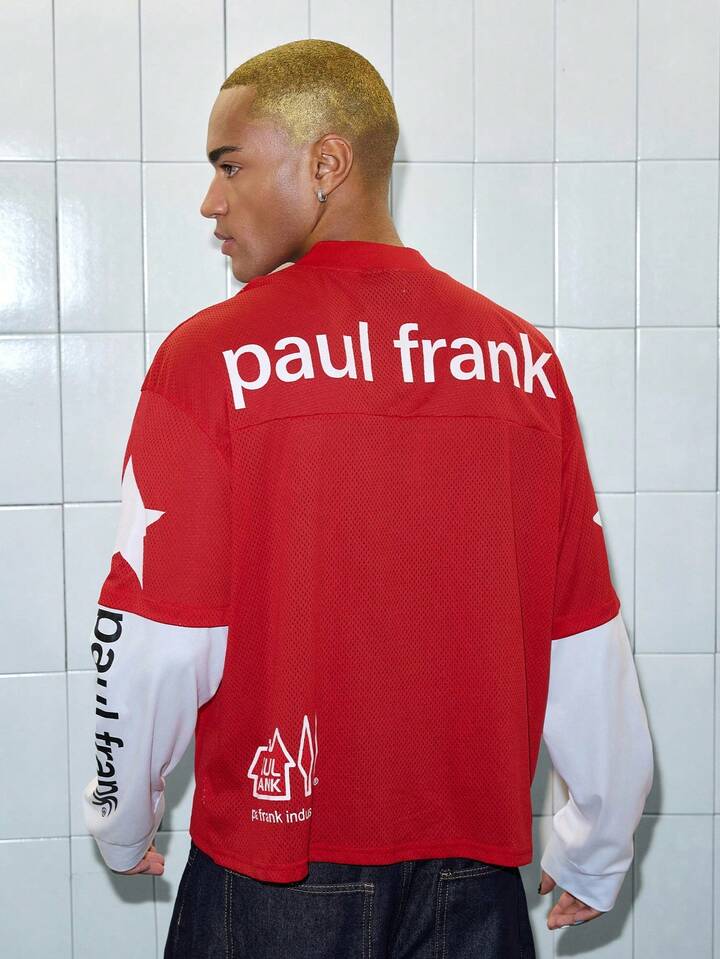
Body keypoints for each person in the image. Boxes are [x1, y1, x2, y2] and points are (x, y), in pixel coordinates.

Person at [81, 38, 654, 958]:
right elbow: (580, 627)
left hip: (273, 875)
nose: (211, 201)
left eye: (230, 164)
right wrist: (597, 841)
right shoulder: (521, 362)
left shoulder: (210, 359)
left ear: (327, 163)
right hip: (474, 883)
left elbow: (159, 633)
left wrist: (120, 812)